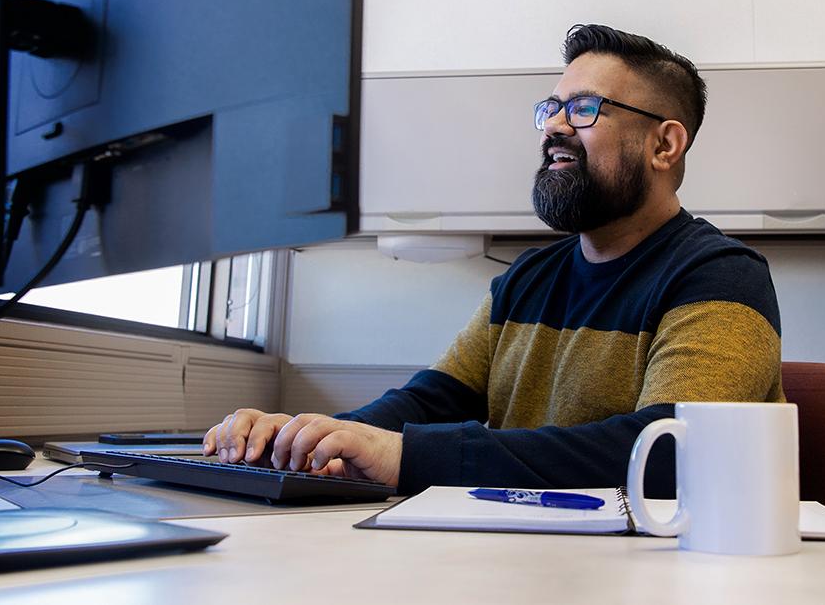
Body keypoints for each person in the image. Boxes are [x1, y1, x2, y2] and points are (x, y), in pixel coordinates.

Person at [204, 24, 783, 497]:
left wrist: (407, 456)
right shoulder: (526, 280)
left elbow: (669, 453)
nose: (555, 125)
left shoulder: (720, 277)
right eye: (552, 107)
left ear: (664, 145)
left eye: (584, 108)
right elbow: (427, 402)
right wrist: (306, 437)